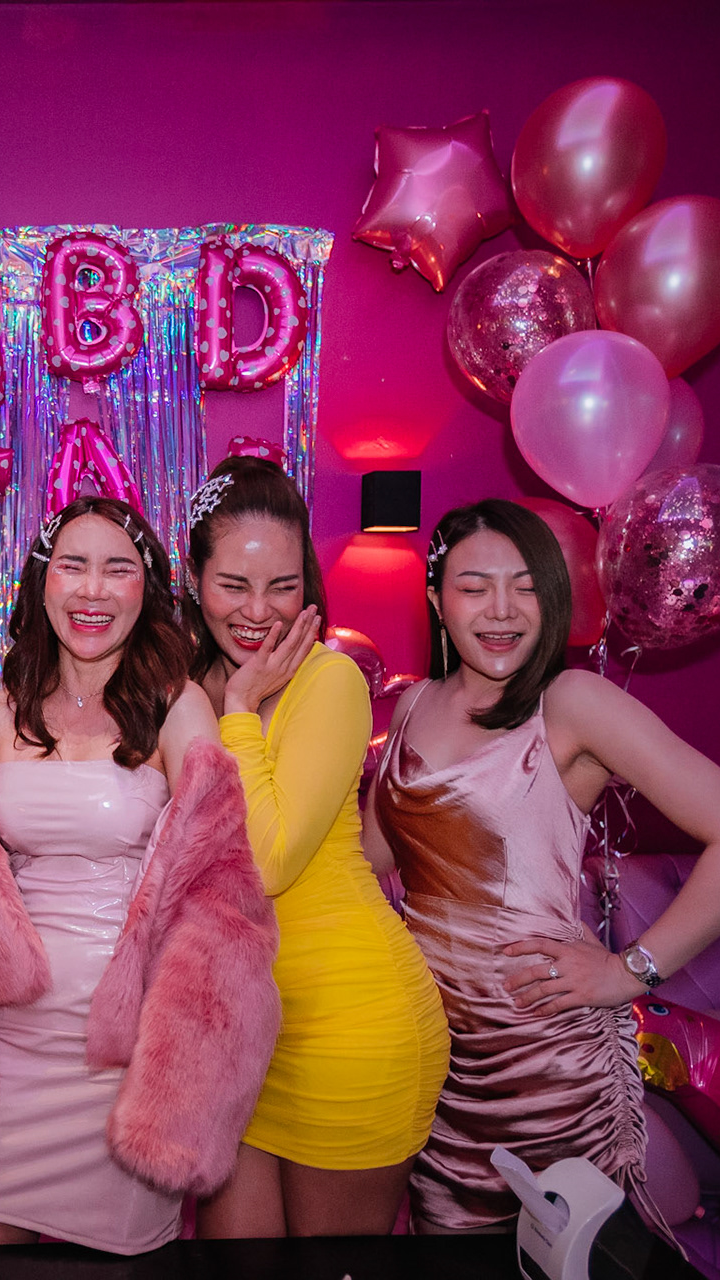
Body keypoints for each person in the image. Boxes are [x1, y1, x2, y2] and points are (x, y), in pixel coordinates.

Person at [365, 498, 720, 1234]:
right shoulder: (412, 706)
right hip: (436, 1063)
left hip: (543, 1060)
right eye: (474, 587)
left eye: (527, 585)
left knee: (564, 1255)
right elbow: (366, 859)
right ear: (437, 601)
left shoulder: (571, 702)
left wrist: (630, 972)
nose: (502, 610)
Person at [0, 496, 280, 1256]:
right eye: (73, 565)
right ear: (42, 582)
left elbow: (221, 896)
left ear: (148, 589)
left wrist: (184, 1081)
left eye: (119, 569)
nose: (93, 590)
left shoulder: (178, 708)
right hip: (15, 1057)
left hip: (127, 1061)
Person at [182, 458, 450, 1238]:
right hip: (238, 1034)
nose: (257, 611)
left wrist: (240, 709)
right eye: (233, 584)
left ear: (309, 586)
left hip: (348, 1023)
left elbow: (266, 864)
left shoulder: (328, 681)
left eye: (282, 586)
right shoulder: (185, 688)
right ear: (194, 579)